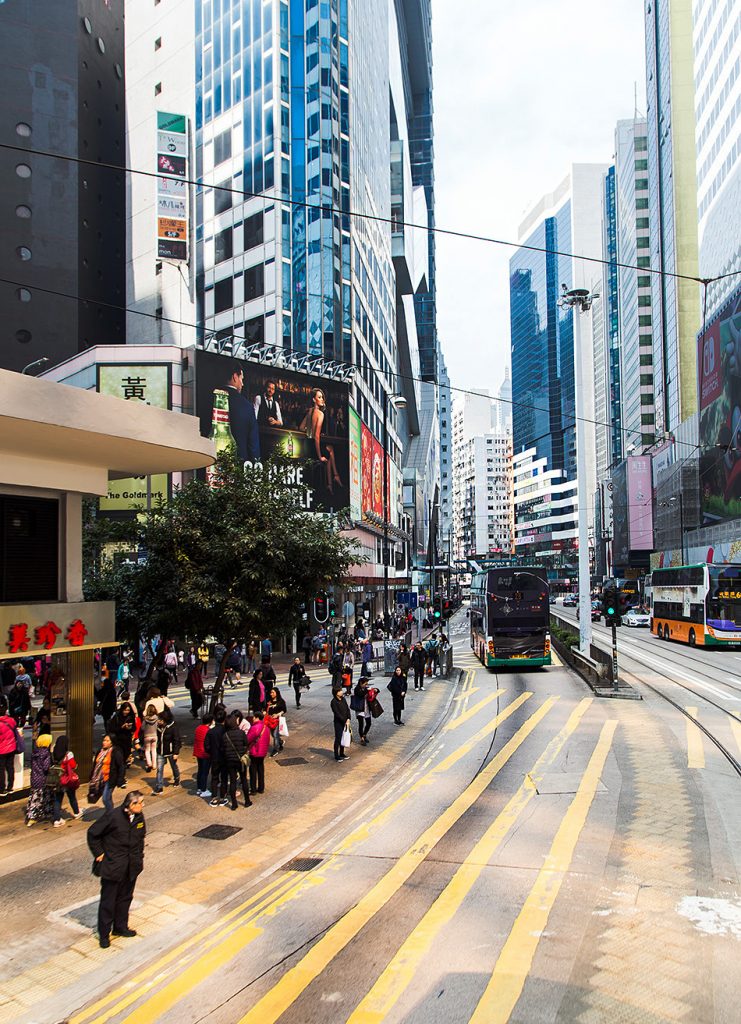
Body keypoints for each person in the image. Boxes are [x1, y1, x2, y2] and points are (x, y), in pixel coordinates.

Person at [87, 790, 146, 949]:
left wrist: (140, 857)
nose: (142, 806)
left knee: (125, 898)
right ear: (131, 804)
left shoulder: (139, 817)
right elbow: (93, 833)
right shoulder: (113, 816)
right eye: (140, 803)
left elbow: (141, 838)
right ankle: (104, 934)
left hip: (131, 866)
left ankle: (120, 927)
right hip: (113, 866)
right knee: (108, 901)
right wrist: (99, 853)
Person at [299, 387, 343, 493]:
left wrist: (309, 429)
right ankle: (331, 483)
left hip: (306, 445)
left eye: (322, 397)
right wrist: (319, 456)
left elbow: (301, 427)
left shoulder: (310, 411)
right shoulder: (320, 414)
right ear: (314, 400)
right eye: (319, 397)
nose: (322, 399)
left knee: (330, 448)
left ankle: (332, 481)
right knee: (328, 455)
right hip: (313, 449)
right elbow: (317, 437)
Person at [225, 362, 260, 463]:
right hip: (239, 465)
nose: (242, 384)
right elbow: (253, 444)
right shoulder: (246, 406)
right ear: (235, 377)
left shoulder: (206, 398)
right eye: (242, 379)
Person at [25, 733, 55, 826]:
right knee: (45, 796)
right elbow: (46, 768)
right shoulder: (46, 754)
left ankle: (31, 817)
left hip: (34, 778)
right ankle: (46, 813)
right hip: (43, 779)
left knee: (34, 797)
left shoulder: (35, 753)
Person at [51, 735, 82, 824]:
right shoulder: (68, 754)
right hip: (67, 780)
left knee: (58, 799)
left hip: (57, 780)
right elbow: (73, 765)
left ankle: (57, 820)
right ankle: (76, 812)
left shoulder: (54, 753)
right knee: (72, 796)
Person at [223, 714, 251, 810]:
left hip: (230, 761)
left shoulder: (225, 735)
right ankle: (247, 801)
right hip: (240, 760)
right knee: (243, 779)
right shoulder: (241, 733)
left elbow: (223, 749)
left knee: (233, 780)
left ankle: (234, 803)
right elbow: (246, 744)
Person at [91, 734, 125, 813]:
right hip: (99, 778)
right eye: (104, 740)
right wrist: (92, 775)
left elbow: (121, 766)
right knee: (107, 797)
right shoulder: (100, 751)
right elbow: (95, 764)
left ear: (111, 742)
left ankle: (110, 814)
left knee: (105, 798)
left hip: (110, 779)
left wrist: (120, 779)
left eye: (107, 741)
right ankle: (111, 811)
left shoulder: (115, 752)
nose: (104, 742)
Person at [153, 710, 181, 794]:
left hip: (170, 751)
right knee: (160, 769)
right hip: (160, 751)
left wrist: (176, 753)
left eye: (160, 719)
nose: (158, 721)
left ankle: (177, 778)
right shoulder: (158, 727)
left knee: (174, 766)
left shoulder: (173, 727)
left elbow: (177, 740)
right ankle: (159, 786)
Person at [206, 708, 229, 806]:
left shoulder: (211, 732)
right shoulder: (226, 730)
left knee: (214, 777)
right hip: (224, 757)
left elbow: (206, 746)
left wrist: (211, 752)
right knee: (224, 778)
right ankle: (223, 797)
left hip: (214, 757)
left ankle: (214, 798)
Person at [246, 712, 271, 794]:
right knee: (260, 769)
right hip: (262, 752)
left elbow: (248, 739)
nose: (252, 718)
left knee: (253, 770)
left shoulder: (254, 728)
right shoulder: (266, 727)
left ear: (257, 717)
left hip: (255, 751)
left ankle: (253, 789)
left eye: (253, 717)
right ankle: (261, 788)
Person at [0, 700, 19, 794]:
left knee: (1, 769)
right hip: (12, 748)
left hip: (1, 750)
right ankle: (10, 787)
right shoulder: (11, 720)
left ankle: (2, 789)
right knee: (10, 767)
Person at [193, 713, 213, 797]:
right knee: (205, 772)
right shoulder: (208, 730)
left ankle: (199, 788)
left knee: (200, 770)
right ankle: (204, 790)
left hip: (198, 752)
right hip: (205, 753)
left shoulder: (198, 728)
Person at [330, 686, 351, 761]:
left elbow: (347, 709)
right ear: (336, 693)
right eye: (340, 691)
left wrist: (348, 718)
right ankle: (336, 755)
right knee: (338, 738)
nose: (342, 692)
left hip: (346, 721)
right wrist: (344, 720)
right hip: (338, 722)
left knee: (343, 737)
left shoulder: (343, 699)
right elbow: (337, 713)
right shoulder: (333, 702)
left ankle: (342, 753)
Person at [266, 687, 287, 755]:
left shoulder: (281, 701)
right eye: (271, 692)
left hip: (277, 720)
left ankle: (276, 749)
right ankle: (280, 742)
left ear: (276, 693)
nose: (271, 694)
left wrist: (278, 714)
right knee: (273, 734)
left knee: (275, 735)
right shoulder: (269, 701)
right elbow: (265, 708)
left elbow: (284, 710)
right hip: (270, 720)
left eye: (273, 692)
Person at [352, 677, 372, 746]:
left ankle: (364, 734)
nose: (366, 685)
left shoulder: (365, 688)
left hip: (366, 708)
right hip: (359, 709)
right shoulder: (357, 689)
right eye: (365, 684)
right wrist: (367, 690)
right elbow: (361, 694)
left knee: (369, 723)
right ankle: (362, 739)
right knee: (361, 724)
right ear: (361, 683)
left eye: (367, 684)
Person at [139, 702, 159, 772]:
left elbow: (142, 728)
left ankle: (149, 763)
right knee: (154, 750)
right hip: (154, 735)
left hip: (147, 736)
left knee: (147, 750)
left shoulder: (145, 719)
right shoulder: (157, 718)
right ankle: (154, 765)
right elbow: (158, 727)